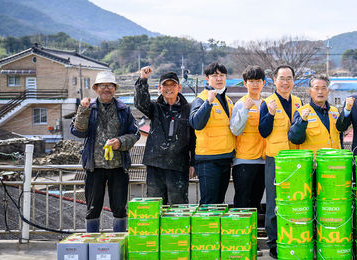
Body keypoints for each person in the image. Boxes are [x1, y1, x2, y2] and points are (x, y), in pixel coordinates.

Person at [71, 71, 139, 232]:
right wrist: (83, 110)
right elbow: (78, 131)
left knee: (120, 208)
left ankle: (119, 244)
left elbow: (135, 133)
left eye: (110, 86)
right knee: (93, 208)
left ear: (115, 89)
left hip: (118, 167)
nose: (106, 89)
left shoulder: (124, 109)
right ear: (96, 88)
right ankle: (93, 243)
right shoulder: (89, 108)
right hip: (95, 167)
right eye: (103, 86)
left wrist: (120, 142)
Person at [259, 65, 302, 259]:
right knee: (275, 200)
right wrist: (269, 114)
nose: (285, 82)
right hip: (275, 158)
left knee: (295, 199)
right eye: (282, 78)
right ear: (274, 80)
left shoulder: (299, 102)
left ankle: (292, 236)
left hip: (296, 159)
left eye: (289, 78)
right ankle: (274, 242)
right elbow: (263, 131)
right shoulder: (267, 102)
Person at [134, 67, 194, 205]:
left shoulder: (189, 109)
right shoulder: (155, 107)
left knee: (178, 207)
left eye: (172, 85)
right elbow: (140, 103)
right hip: (155, 164)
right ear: (160, 88)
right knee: (155, 205)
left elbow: (193, 138)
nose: (169, 88)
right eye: (165, 85)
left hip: (179, 165)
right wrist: (143, 79)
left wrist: (193, 162)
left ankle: (176, 228)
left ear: (179, 87)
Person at [189, 62, 235, 205]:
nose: (219, 78)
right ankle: (205, 228)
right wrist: (208, 103)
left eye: (222, 75)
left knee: (219, 202)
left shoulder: (227, 100)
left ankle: (215, 228)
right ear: (207, 79)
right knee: (209, 202)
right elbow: (196, 123)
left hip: (225, 158)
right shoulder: (201, 99)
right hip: (208, 160)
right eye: (215, 76)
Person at [230, 65, 267, 213]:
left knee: (256, 200)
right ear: (245, 83)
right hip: (244, 160)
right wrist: (245, 110)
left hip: (263, 160)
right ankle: (240, 233)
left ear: (263, 82)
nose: (255, 84)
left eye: (258, 81)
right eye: (251, 81)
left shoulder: (267, 103)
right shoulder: (240, 103)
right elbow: (235, 129)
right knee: (242, 200)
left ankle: (253, 233)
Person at [288, 74, 342, 154]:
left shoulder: (335, 111)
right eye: (316, 88)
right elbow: (295, 139)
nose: (320, 92)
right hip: (313, 163)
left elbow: (340, 138)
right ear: (310, 91)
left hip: (334, 161)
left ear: (328, 90)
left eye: (323, 88)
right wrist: (302, 121)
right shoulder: (301, 112)